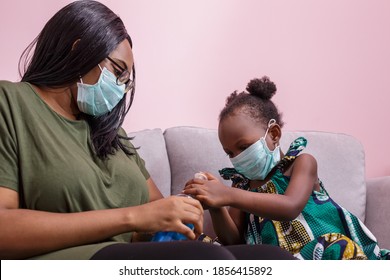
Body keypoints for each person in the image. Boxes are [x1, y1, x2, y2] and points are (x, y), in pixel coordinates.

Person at [0, 0, 245, 260]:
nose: (119, 89)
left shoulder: (113, 133)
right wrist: (133, 218)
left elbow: (153, 213)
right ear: (79, 49)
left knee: (275, 261)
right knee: (209, 260)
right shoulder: (11, 103)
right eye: (117, 72)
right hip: (70, 262)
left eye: (125, 82)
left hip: (128, 258)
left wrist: (179, 211)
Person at [184, 76, 390, 260]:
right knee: (201, 246)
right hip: (282, 263)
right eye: (230, 153)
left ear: (274, 134)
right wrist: (216, 206)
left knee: (337, 247)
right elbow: (234, 242)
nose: (237, 158)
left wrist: (227, 194)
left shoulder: (301, 163)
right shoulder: (240, 185)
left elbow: (290, 206)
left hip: (321, 255)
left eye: (244, 147)